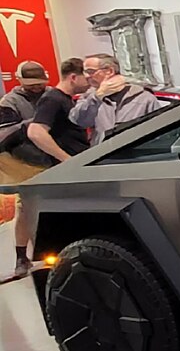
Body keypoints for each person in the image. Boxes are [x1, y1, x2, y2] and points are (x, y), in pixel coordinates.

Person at [2, 58, 89, 278]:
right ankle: (22, 256)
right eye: (31, 84)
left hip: (51, 157)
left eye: (39, 83)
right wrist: (33, 124)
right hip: (26, 160)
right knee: (26, 206)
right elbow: (4, 134)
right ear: (20, 81)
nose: (36, 87)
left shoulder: (53, 94)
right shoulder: (10, 102)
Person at [72, 53, 167, 146]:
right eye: (85, 72)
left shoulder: (143, 98)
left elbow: (159, 131)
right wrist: (97, 97)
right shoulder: (88, 97)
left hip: (136, 153)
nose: (87, 76)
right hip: (104, 154)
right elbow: (79, 122)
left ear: (109, 71)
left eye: (90, 71)